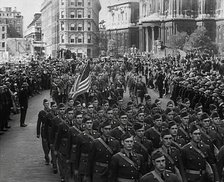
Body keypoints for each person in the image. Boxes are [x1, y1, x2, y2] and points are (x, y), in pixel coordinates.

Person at [74, 116, 100, 182]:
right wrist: (76, 168)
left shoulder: (97, 135)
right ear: (84, 124)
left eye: (91, 123)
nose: (89, 125)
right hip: (84, 161)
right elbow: (77, 153)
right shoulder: (80, 136)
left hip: (94, 162)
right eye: (87, 123)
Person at [36, 99, 51, 165]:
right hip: (44, 130)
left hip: (50, 130)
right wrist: (38, 133)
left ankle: (47, 154)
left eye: (48, 104)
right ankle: (47, 157)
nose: (47, 105)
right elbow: (39, 123)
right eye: (45, 104)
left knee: (50, 144)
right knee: (45, 145)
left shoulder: (51, 112)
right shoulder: (41, 112)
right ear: (43, 104)